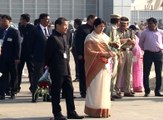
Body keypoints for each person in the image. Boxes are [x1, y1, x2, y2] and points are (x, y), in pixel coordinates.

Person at [44, 17, 84, 120]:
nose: (67, 27)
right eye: (65, 25)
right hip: (56, 69)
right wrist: (48, 67)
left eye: (67, 25)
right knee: (56, 92)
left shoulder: (65, 36)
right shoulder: (52, 38)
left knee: (69, 90)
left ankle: (71, 112)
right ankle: (57, 113)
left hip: (66, 68)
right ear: (58, 25)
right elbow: (48, 55)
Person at [84, 18, 115, 118]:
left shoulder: (106, 37)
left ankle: (104, 109)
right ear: (95, 26)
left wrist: (112, 52)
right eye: (100, 26)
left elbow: (111, 48)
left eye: (103, 26)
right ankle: (93, 110)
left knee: (105, 89)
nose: (102, 28)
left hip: (105, 65)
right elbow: (89, 52)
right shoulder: (90, 37)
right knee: (95, 88)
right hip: (95, 66)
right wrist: (103, 54)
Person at [139, 17, 163, 97]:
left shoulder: (161, 32)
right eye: (148, 24)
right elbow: (140, 43)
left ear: (155, 24)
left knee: (158, 73)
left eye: (151, 24)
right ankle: (147, 91)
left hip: (158, 54)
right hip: (148, 54)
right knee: (146, 73)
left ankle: (157, 91)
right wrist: (146, 49)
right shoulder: (144, 33)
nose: (149, 25)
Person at [75, 14, 97, 98]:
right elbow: (78, 42)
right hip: (83, 55)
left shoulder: (94, 29)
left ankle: (91, 90)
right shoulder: (82, 28)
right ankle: (83, 91)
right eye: (94, 20)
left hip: (93, 55)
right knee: (83, 74)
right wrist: (79, 54)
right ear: (90, 19)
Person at [0, 14, 20, 100]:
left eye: (4, 21)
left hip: (12, 58)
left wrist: (17, 57)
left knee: (14, 75)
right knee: (2, 76)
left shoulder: (14, 32)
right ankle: (2, 93)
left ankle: (13, 92)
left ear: (9, 22)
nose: (2, 23)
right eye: (1, 21)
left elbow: (18, 46)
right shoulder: (0, 31)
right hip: (2, 58)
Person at [31, 13, 51, 102]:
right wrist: (32, 56)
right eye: (47, 19)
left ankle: (45, 95)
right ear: (41, 20)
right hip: (38, 58)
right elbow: (30, 44)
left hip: (48, 59)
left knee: (46, 78)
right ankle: (35, 95)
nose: (48, 21)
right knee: (37, 77)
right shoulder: (35, 30)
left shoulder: (50, 30)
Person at [116, 16, 136, 97]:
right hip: (121, 52)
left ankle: (127, 90)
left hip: (129, 51)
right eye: (121, 23)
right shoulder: (116, 31)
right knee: (119, 72)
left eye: (125, 24)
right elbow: (117, 41)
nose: (123, 25)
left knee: (128, 72)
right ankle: (116, 90)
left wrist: (125, 41)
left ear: (128, 24)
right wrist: (127, 40)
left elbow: (133, 42)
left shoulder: (131, 31)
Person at [104, 14, 122, 100]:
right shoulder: (109, 28)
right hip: (111, 54)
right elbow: (105, 41)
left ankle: (112, 91)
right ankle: (109, 93)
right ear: (118, 21)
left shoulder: (115, 29)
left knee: (114, 74)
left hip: (115, 53)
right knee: (110, 74)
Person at [17, 13, 35, 92]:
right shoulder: (19, 28)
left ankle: (33, 87)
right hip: (21, 53)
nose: (20, 21)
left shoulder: (32, 28)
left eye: (21, 19)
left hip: (30, 53)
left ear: (25, 20)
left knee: (31, 71)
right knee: (19, 71)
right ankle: (17, 87)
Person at [129, 25, 143, 92]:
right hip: (132, 55)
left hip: (136, 56)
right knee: (131, 70)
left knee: (135, 70)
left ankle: (136, 86)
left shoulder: (135, 36)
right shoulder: (132, 37)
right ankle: (132, 86)